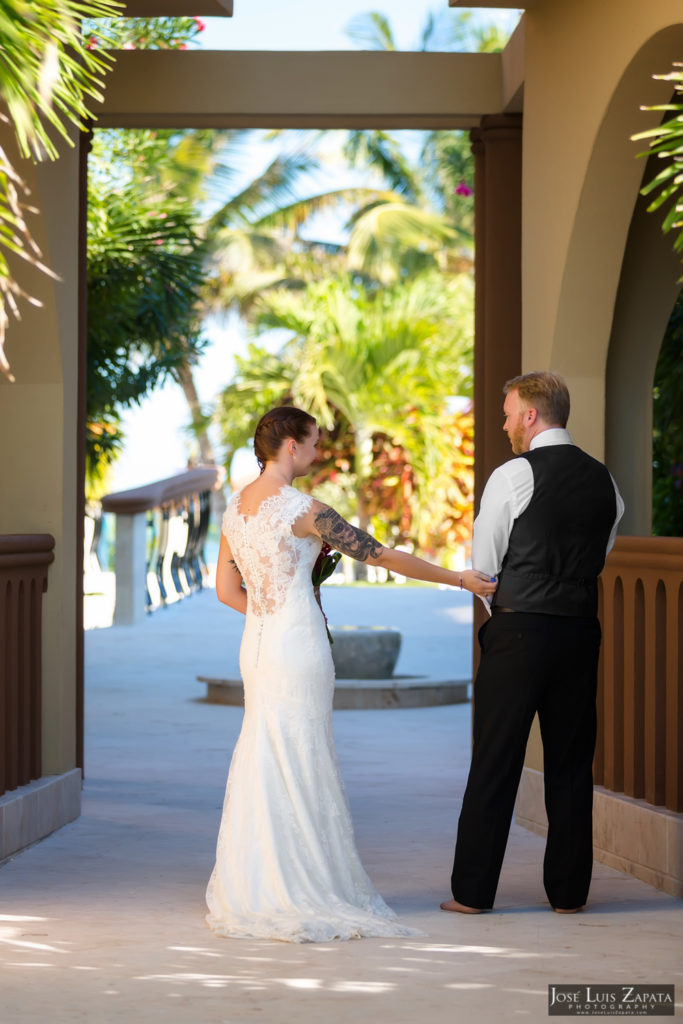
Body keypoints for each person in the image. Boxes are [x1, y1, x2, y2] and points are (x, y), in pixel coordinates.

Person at [206, 405, 496, 942]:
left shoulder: (234, 510)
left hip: (258, 645)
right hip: (298, 644)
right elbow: (382, 556)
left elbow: (226, 591)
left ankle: (257, 884)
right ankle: (308, 884)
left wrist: (272, 611)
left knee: (265, 752)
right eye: (314, 442)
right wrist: (460, 579)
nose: (319, 451)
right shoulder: (305, 510)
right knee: (303, 753)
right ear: (291, 446)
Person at [441, 371, 624, 917]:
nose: (503, 424)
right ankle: (569, 894)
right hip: (579, 632)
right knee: (571, 763)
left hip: (520, 630)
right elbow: (600, 553)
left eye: (507, 413)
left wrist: (503, 618)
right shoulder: (605, 481)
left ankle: (474, 893)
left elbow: (486, 567)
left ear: (530, 416)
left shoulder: (514, 474)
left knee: (496, 759)